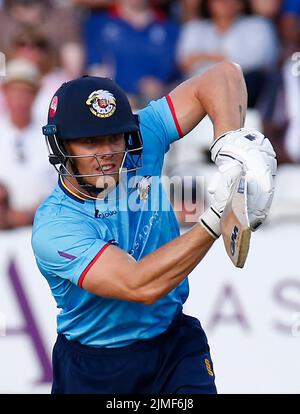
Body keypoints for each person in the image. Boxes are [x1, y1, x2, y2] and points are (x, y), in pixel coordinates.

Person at [31, 62, 276, 394]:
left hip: (173, 344)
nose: (108, 154)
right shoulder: (55, 226)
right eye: (90, 142)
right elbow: (139, 286)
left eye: (113, 137)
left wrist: (229, 151)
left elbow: (225, 75)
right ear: (62, 147)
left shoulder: (139, 140)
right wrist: (216, 216)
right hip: (95, 367)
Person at [0, 58, 56, 229]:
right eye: (14, 91)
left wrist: (35, 213)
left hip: (43, 225)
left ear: (36, 95)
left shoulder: (51, 135)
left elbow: (61, 183)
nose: (20, 99)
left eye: (26, 92)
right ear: (5, 92)